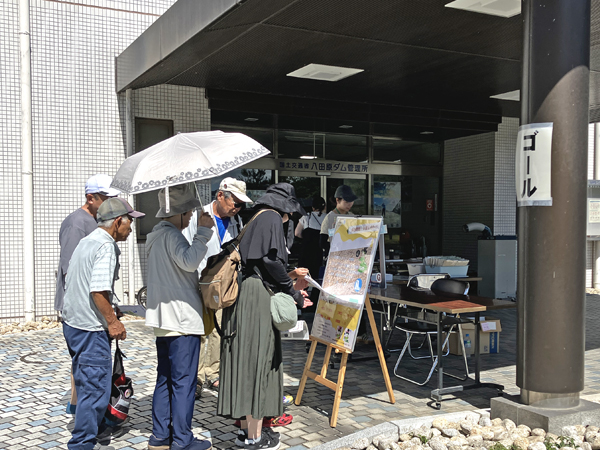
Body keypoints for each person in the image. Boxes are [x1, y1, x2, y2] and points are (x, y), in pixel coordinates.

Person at [217, 183, 311, 450]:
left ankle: (245, 433)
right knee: (259, 363)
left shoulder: (255, 217)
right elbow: (270, 261)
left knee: (244, 362)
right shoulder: (271, 217)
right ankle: (255, 438)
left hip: (244, 296)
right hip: (256, 298)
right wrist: (293, 292)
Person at [62, 197, 144, 450]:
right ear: (118, 221)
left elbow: (85, 283)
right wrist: (112, 322)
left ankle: (95, 427)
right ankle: (82, 443)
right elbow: (97, 290)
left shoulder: (87, 241)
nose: (131, 228)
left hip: (73, 324)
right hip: (90, 328)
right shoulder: (106, 246)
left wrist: (112, 305)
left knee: (86, 381)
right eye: (129, 222)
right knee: (95, 388)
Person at [145, 183, 215, 450]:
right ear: (178, 212)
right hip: (182, 320)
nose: (191, 217)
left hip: (163, 320)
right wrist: (204, 232)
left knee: (164, 379)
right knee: (183, 383)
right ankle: (183, 440)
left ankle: (160, 436)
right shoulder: (172, 236)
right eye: (188, 213)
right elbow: (189, 261)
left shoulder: (154, 236)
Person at [55, 173, 120, 415]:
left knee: (87, 365)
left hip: (95, 303)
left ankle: (80, 408)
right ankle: (84, 414)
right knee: (88, 364)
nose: (111, 203)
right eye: (106, 198)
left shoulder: (99, 220)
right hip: (82, 307)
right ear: (90, 198)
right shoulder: (77, 223)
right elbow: (70, 269)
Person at [182, 178, 252, 399]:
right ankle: (196, 377)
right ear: (220, 195)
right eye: (235, 202)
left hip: (223, 284)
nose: (237, 208)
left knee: (218, 329)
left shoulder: (236, 220)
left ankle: (213, 373)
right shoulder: (198, 216)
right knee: (199, 331)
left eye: (241, 205)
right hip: (198, 282)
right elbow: (186, 247)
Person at [295, 196, 326, 305]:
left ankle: (300, 300)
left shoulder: (306, 217)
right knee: (317, 278)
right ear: (324, 207)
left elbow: (297, 233)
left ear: (312, 207)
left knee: (303, 277)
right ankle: (315, 302)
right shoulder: (327, 218)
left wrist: (306, 238)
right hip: (318, 252)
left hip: (306, 251)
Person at [319, 185, 358, 257]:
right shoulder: (330, 217)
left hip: (350, 256)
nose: (350, 204)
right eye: (346, 201)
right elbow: (322, 243)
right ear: (337, 200)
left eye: (352, 201)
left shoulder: (352, 216)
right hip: (334, 257)